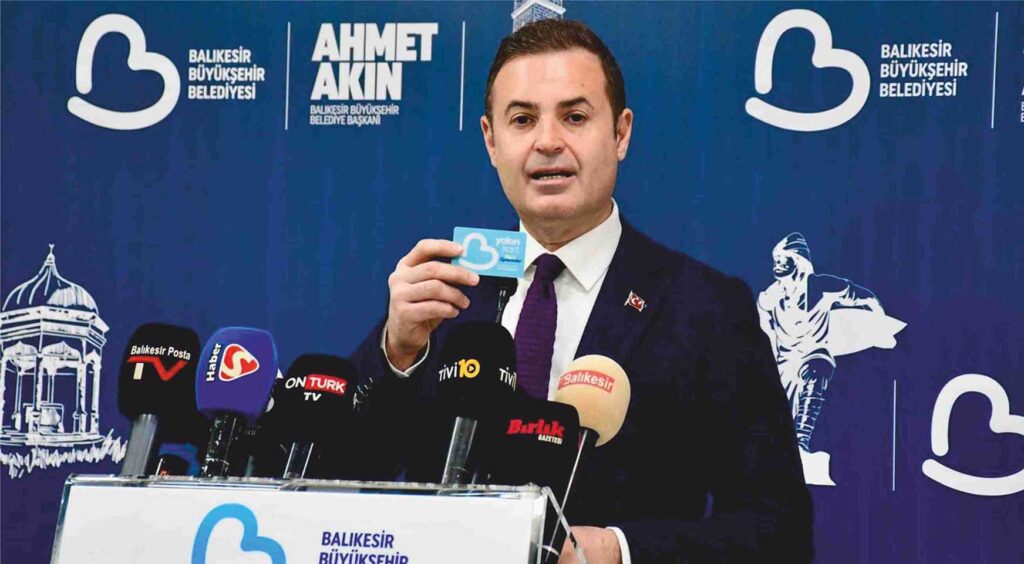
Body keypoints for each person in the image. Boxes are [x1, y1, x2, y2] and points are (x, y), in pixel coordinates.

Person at [349, 19, 812, 563]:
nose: (547, 142)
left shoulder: (706, 309)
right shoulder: (444, 299)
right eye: (523, 120)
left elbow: (780, 531)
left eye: (574, 117)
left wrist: (617, 551)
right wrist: (397, 352)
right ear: (491, 140)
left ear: (620, 134)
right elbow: (338, 485)